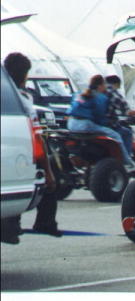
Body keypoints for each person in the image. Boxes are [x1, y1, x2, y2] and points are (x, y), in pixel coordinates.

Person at [3, 52, 62, 238]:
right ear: (25, 75)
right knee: (47, 177)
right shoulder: (22, 100)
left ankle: (11, 224)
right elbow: (37, 138)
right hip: (19, 150)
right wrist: (49, 173)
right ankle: (45, 222)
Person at [66, 74, 135, 171]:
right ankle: (128, 163)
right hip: (85, 125)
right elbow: (100, 117)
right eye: (104, 85)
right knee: (116, 135)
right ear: (100, 86)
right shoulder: (99, 97)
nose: (106, 88)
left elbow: (71, 109)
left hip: (71, 124)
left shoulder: (79, 93)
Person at [104, 75, 135, 157]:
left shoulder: (98, 92)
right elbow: (127, 112)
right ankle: (127, 158)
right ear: (116, 84)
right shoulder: (114, 93)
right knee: (127, 132)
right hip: (109, 125)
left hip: (96, 124)